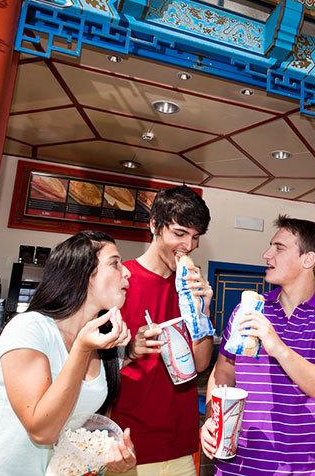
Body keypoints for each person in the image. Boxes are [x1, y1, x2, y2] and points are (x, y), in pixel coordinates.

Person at [0, 231, 139, 474]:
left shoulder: (105, 348)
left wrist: (113, 454)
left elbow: (88, 431)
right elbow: (42, 431)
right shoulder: (29, 329)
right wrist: (82, 349)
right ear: (83, 273)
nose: (126, 272)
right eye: (115, 263)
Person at [200, 216, 315, 475]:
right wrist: (213, 420)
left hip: (304, 468)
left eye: (279, 248)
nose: (266, 254)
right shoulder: (245, 310)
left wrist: (277, 346)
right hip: (237, 465)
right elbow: (223, 371)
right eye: (270, 246)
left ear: (308, 260)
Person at [108, 185, 214, 476]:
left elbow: (201, 363)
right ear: (154, 224)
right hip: (127, 447)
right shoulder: (120, 281)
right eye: (179, 233)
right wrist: (130, 350)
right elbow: (90, 368)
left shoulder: (191, 287)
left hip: (181, 444)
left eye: (195, 237)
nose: (188, 246)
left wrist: (201, 311)